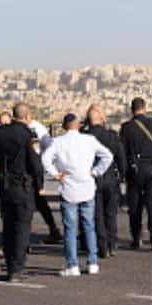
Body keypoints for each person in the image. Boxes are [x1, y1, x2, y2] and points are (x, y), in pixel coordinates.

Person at [41, 113, 114, 276]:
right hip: (87, 186)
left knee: (70, 228)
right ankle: (92, 261)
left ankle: (72, 264)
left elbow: (45, 159)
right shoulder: (89, 140)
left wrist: (56, 174)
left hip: (68, 187)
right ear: (79, 125)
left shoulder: (58, 142)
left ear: (64, 126)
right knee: (89, 225)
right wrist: (96, 172)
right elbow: (108, 156)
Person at [0, 102, 43, 282]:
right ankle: (16, 268)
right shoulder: (30, 134)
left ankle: (9, 263)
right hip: (23, 185)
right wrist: (40, 184)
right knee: (22, 228)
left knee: (8, 226)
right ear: (27, 117)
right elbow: (35, 162)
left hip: (5, 185)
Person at [120, 97, 152, 250]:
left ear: (132, 110)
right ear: (144, 108)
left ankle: (136, 237)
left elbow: (123, 151)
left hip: (135, 171)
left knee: (135, 206)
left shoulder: (126, 128)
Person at [83, 105, 126, 259]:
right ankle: (112, 243)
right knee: (110, 213)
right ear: (102, 118)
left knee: (97, 215)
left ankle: (102, 247)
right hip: (111, 178)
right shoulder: (112, 136)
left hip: (92, 178)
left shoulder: (85, 137)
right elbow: (121, 157)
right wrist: (122, 175)